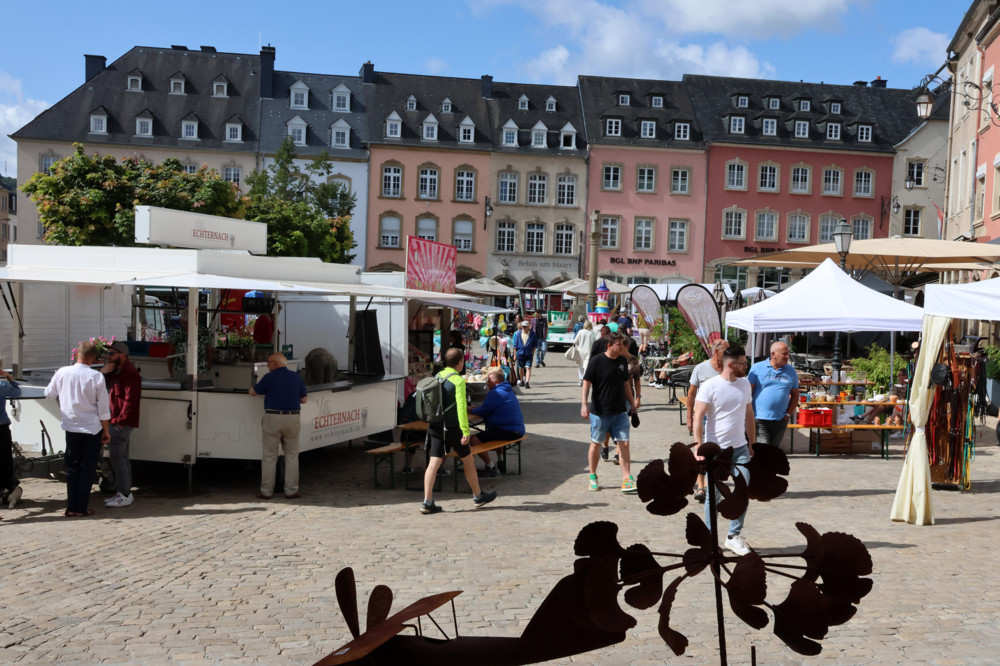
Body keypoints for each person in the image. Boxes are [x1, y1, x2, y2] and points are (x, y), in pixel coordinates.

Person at [693, 344, 756, 556]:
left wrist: (752, 442)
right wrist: (699, 446)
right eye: (743, 363)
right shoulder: (710, 386)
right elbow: (698, 417)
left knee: (742, 492)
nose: (746, 367)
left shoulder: (745, 384)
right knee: (714, 496)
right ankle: (710, 540)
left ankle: (733, 537)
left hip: (739, 449)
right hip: (716, 452)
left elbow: (749, 414)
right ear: (731, 364)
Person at [421, 347, 498, 514]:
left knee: (434, 463)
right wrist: (466, 431)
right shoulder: (458, 381)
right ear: (460, 362)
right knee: (468, 459)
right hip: (452, 427)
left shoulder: (438, 376)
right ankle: (478, 495)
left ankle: (427, 501)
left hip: (435, 425)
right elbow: (461, 409)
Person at [45, 341, 111, 517]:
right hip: (91, 427)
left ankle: (71, 507)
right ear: (92, 359)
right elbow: (104, 408)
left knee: (72, 467)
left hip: (71, 425)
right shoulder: (96, 377)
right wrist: (106, 431)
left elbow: (48, 393)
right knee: (87, 467)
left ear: (77, 355)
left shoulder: (62, 372)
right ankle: (81, 507)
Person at [581, 332, 638, 493]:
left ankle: (627, 478)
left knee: (624, 444)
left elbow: (626, 383)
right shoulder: (596, 361)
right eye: (619, 344)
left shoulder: (621, 361)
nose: (622, 347)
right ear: (609, 345)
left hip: (620, 411)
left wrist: (632, 404)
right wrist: (584, 404)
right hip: (600, 412)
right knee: (596, 443)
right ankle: (592, 476)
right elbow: (586, 383)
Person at [249, 353, 307, 499]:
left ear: (275, 363)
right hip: (293, 418)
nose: (267, 366)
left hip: (273, 418)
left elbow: (254, 392)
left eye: (268, 363)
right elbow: (304, 399)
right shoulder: (296, 377)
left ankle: (266, 491)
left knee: (269, 456)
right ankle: (292, 491)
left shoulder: (270, 377)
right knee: (292, 456)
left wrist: (252, 389)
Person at [687, 339, 730, 502]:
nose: (728, 355)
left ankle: (714, 484)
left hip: (722, 417)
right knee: (702, 451)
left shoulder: (729, 368)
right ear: (716, 352)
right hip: (703, 416)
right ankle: (700, 486)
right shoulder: (701, 369)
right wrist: (689, 415)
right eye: (726, 351)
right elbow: (691, 393)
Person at [100, 341, 141, 508]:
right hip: (116, 420)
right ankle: (123, 492)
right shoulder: (116, 371)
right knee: (120, 457)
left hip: (120, 422)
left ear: (122, 354)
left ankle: (124, 493)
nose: (109, 357)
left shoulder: (130, 373)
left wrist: (121, 422)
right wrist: (103, 373)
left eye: (112, 354)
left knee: (118, 457)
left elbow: (131, 400)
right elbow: (100, 386)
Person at [470, 368, 525, 477]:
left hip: (510, 430)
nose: (486, 384)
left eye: (488, 382)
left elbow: (483, 411)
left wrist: (470, 410)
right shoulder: (508, 390)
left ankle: (491, 467)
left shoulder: (496, 392)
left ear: (496, 383)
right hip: (516, 429)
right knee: (493, 432)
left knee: (473, 439)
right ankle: (500, 462)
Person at [747, 341, 799, 450]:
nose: (787, 356)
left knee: (774, 450)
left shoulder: (791, 371)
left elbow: (795, 395)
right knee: (763, 449)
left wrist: (788, 415)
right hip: (759, 418)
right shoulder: (757, 368)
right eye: (784, 354)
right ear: (773, 354)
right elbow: (748, 392)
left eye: (788, 353)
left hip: (781, 419)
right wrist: (749, 412)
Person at [0, 363, 22, 516]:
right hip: (0, 427)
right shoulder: (2, 384)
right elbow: (17, 392)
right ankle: (6, 487)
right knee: (3, 462)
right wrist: (9, 377)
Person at [512, 319, 539, 388]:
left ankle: (527, 382)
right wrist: (515, 355)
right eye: (523, 326)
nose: (524, 328)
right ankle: (522, 380)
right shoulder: (518, 334)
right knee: (521, 368)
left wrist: (533, 352)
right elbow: (515, 346)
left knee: (528, 367)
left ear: (528, 327)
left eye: (525, 326)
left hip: (529, 353)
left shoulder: (533, 334)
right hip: (520, 353)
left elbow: (535, 344)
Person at [572, 321, 596, 386]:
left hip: (580, 351)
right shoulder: (592, 333)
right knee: (586, 366)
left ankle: (581, 380)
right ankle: (586, 380)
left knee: (580, 366)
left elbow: (575, 341)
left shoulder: (580, 332)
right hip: (589, 351)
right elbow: (595, 343)